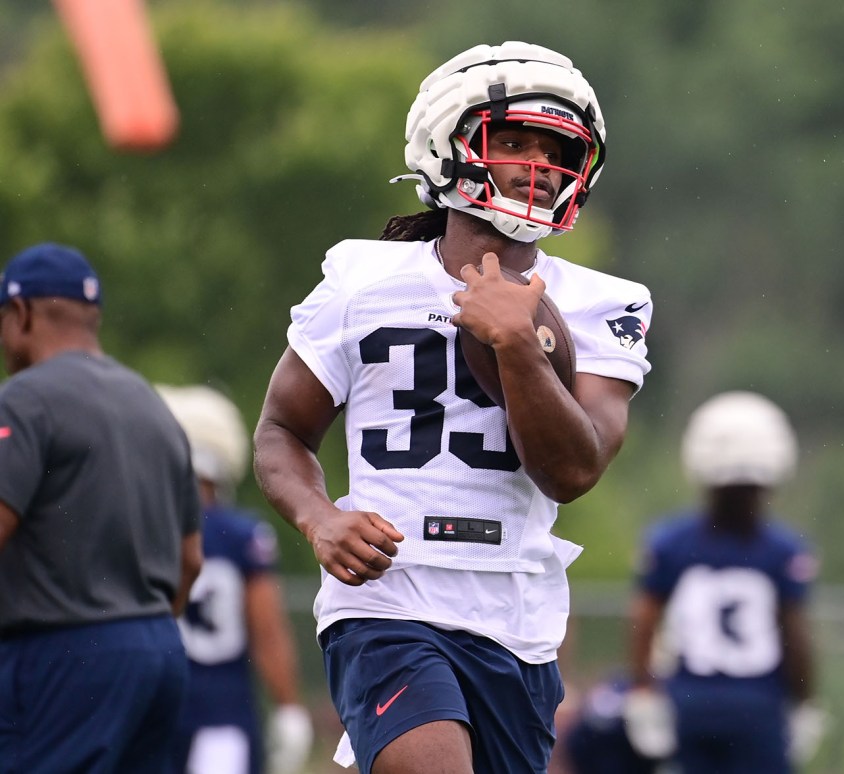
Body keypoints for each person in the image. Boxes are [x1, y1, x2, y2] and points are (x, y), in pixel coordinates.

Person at [252, 40, 652, 774]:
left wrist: (519, 348)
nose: (538, 161)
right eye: (516, 141)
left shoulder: (603, 303)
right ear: (448, 144)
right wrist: (321, 518)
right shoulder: (363, 281)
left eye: (556, 146)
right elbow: (282, 430)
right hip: (388, 601)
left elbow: (574, 470)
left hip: (516, 618)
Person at [0, 242, 204, 772]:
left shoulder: (23, 399)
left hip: (60, 653)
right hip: (158, 651)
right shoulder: (153, 405)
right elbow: (191, 561)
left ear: (19, 313)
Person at [626, 391, 825, 774]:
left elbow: (644, 620)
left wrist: (643, 691)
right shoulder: (782, 549)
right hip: (758, 707)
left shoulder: (671, 542)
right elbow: (795, 634)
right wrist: (804, 700)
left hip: (691, 703)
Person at [157, 384, 314, 774]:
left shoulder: (143, 528)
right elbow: (267, 632)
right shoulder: (240, 535)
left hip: (154, 706)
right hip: (221, 711)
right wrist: (288, 705)